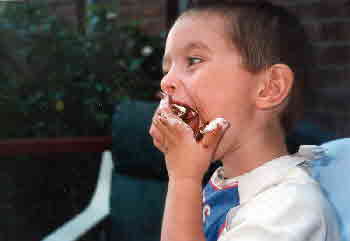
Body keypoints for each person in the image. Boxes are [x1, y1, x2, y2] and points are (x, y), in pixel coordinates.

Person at [149, 1, 341, 241]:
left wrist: (183, 179)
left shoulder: (290, 208)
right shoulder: (223, 183)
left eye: (193, 61)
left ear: (269, 88)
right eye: (167, 68)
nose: (166, 82)